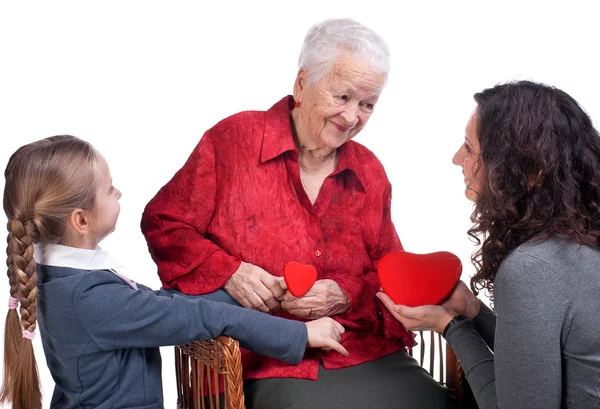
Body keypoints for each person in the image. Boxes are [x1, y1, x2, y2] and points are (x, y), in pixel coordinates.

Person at [141, 18, 451, 409]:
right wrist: (230, 271)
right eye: (343, 97)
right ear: (302, 83)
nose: (353, 117)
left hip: (354, 347)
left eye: (368, 104)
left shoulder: (369, 171)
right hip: (256, 358)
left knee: (435, 403)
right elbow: (164, 224)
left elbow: (390, 274)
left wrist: (343, 293)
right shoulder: (234, 140)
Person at [0, 135, 347, 409]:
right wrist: (299, 336)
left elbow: (164, 307)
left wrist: (258, 296)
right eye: (109, 189)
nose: (118, 192)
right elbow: (196, 315)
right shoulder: (90, 298)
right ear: (81, 220)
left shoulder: (61, 279)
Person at [377, 80, 600, 408]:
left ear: (531, 172)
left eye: (469, 148)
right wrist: (474, 311)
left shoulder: (532, 268)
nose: (457, 159)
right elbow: (537, 364)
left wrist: (451, 326)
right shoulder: (580, 239)